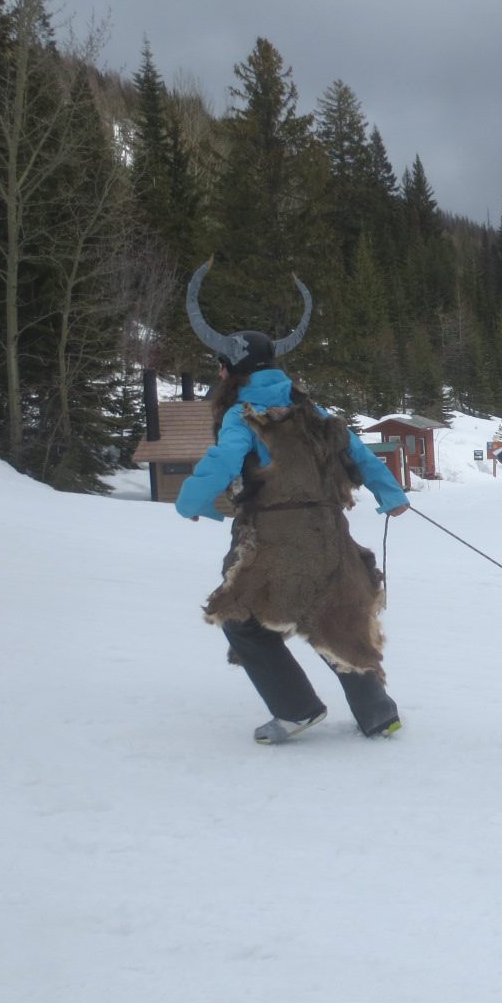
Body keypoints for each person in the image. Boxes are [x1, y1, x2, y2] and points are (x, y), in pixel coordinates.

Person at [174, 261, 411, 744]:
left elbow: (222, 463)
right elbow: (358, 453)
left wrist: (189, 501)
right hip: (331, 537)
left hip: (277, 542)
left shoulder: (244, 416)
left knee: (240, 618)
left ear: (229, 370)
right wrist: (392, 495)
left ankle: (295, 708)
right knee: (335, 616)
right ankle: (379, 715)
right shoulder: (313, 411)